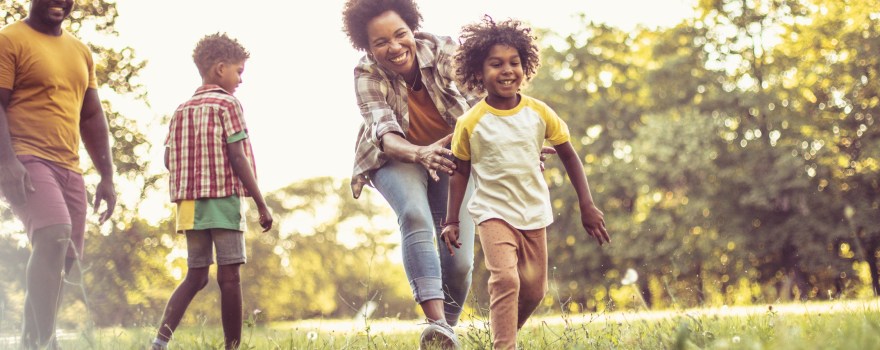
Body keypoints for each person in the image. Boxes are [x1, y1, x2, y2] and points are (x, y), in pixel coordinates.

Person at [441, 17, 612, 350]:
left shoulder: (539, 112)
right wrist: (451, 220)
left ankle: (502, 334)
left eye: (514, 63)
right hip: (493, 213)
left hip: (533, 211)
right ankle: (505, 346)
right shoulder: (470, 122)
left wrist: (587, 204)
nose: (507, 70)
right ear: (479, 71)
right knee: (506, 278)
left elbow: (569, 155)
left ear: (525, 66)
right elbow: (460, 171)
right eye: (496, 64)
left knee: (535, 289)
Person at [342, 0, 479, 347]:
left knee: (460, 260)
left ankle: (442, 335)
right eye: (380, 42)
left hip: (452, 156)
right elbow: (385, 135)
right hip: (397, 158)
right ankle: (435, 321)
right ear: (368, 46)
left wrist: (520, 139)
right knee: (415, 215)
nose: (394, 47)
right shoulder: (367, 73)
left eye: (400, 34)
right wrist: (421, 153)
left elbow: (487, 96)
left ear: (412, 29)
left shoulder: (443, 49)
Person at [0, 0, 117, 348]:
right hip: (25, 158)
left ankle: (30, 343)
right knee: (54, 235)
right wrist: (6, 160)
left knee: (61, 263)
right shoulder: (9, 39)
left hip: (70, 167)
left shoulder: (80, 51)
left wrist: (107, 176)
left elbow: (92, 115)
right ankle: (48, 343)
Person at [151, 33, 273, 350]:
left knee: (196, 276)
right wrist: (261, 202)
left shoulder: (181, 109)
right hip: (222, 199)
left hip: (189, 205)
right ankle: (232, 347)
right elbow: (238, 156)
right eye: (239, 71)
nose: (240, 79)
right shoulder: (228, 104)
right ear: (220, 69)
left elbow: (168, 158)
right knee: (229, 277)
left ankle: (159, 342)